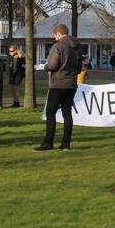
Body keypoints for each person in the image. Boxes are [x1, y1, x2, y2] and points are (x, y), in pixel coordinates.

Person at [36, 23, 82, 151]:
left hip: (58, 84)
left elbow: (52, 65)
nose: (54, 38)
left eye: (55, 35)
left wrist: (44, 67)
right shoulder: (77, 47)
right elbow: (79, 68)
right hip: (72, 84)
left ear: (58, 34)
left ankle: (48, 143)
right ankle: (66, 143)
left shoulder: (58, 46)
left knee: (50, 113)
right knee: (67, 113)